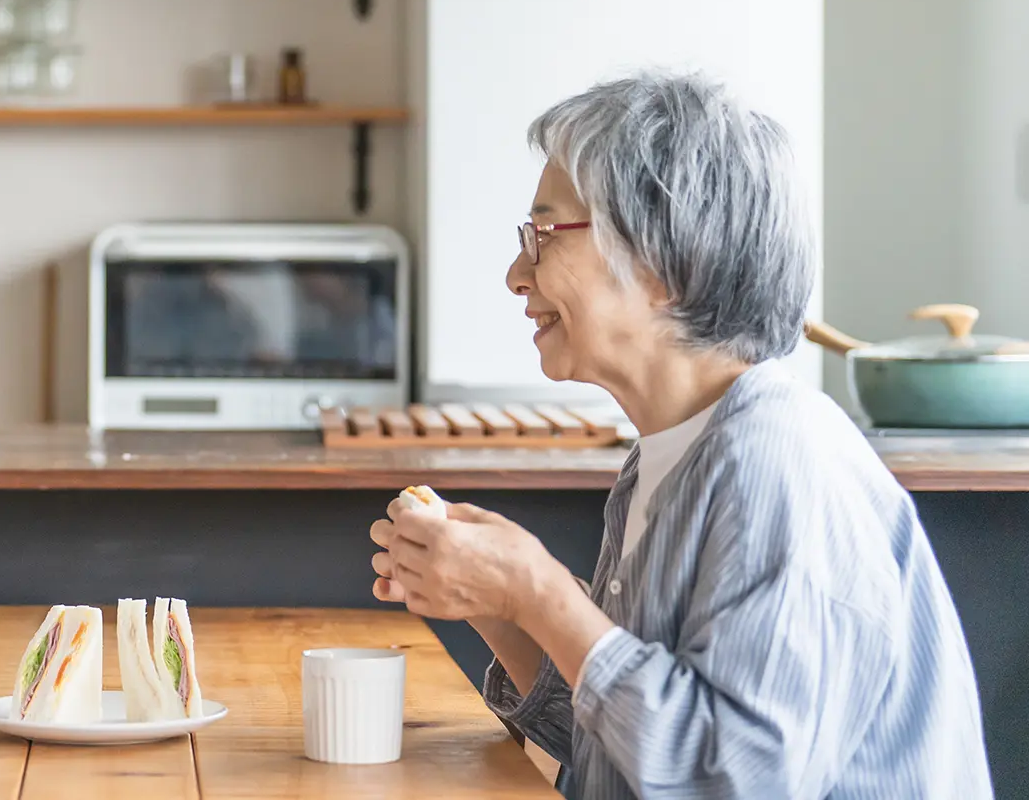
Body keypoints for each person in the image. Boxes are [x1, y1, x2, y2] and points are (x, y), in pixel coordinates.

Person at [370, 72, 991, 797]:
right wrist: (498, 605)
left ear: (666, 260)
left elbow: (732, 780)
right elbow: (625, 747)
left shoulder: (777, 463)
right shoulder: (663, 461)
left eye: (542, 234)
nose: (516, 272)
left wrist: (539, 592)